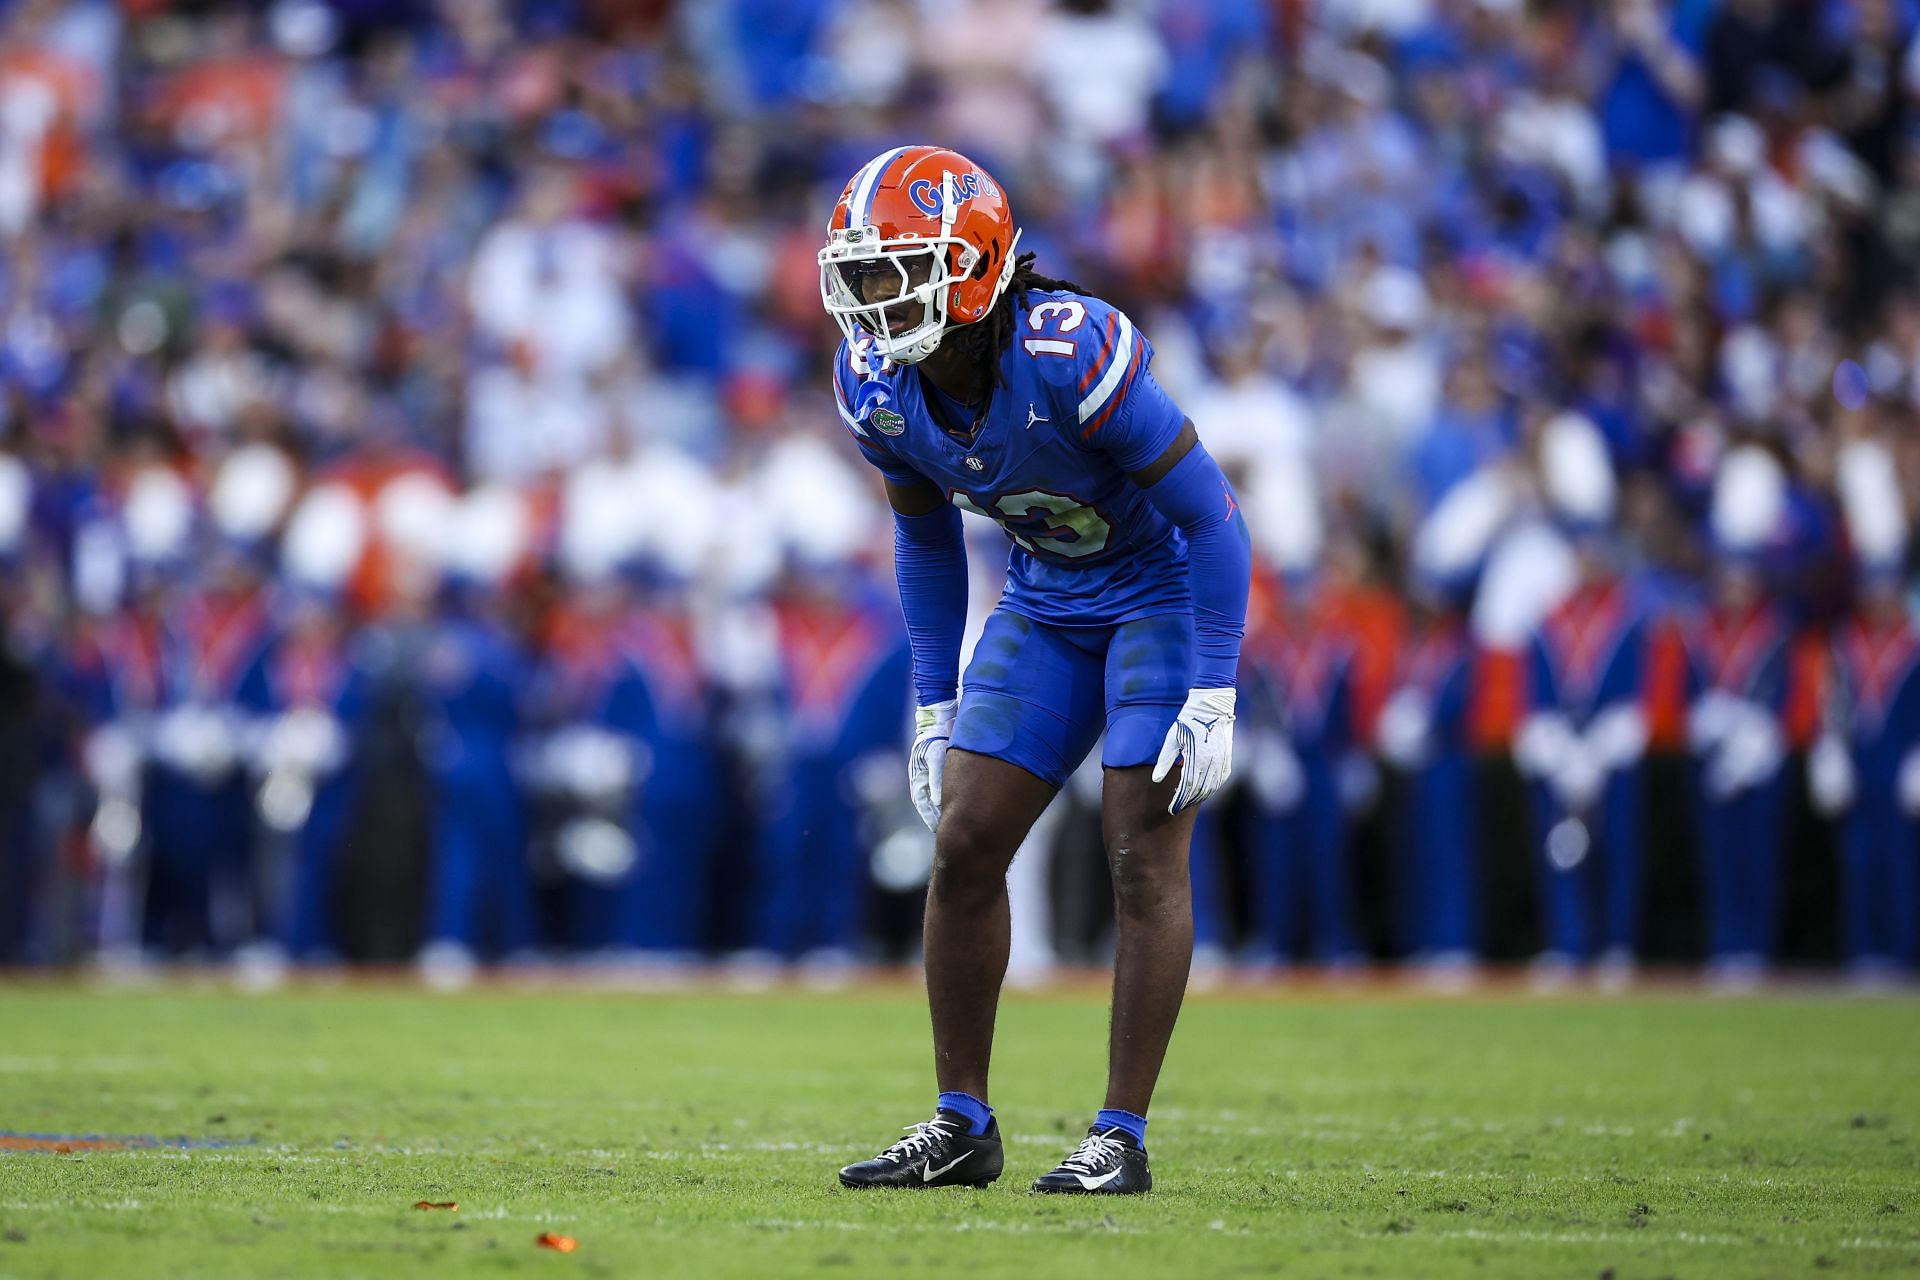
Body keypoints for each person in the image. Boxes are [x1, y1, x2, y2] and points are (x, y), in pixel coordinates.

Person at [820, 146, 1251, 1194]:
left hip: (1156, 588)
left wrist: (1216, 680)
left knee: (1138, 848)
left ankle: (1120, 1133)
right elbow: (924, 541)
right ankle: (963, 1120)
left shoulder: (1072, 348)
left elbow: (1211, 514)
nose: (873, 296)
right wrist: (934, 700)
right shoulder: (878, 381)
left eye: (896, 269)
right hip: (1048, 600)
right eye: (862, 273)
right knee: (966, 840)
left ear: (967, 265)